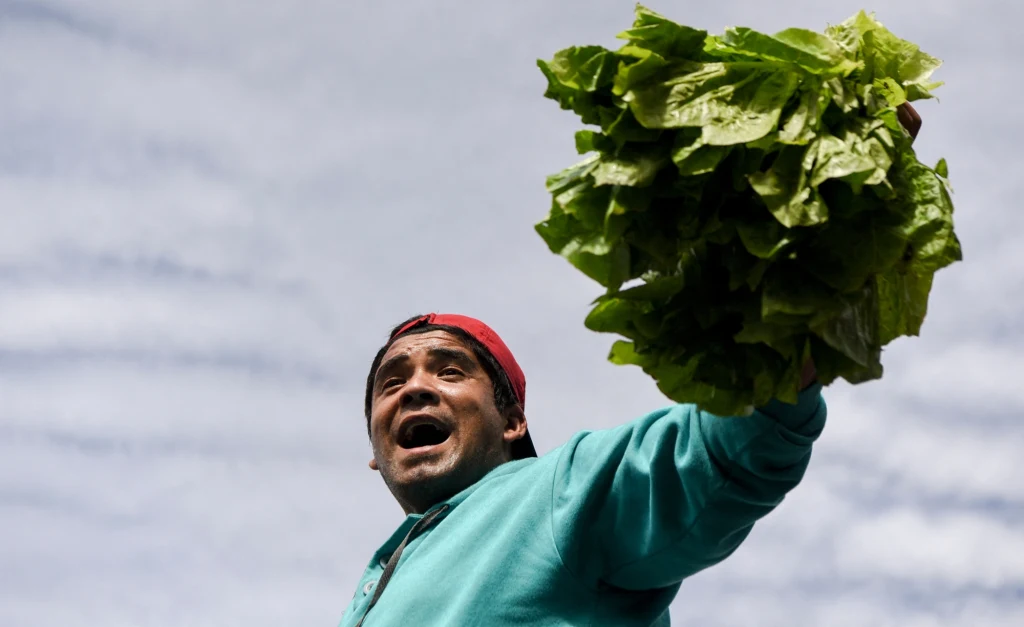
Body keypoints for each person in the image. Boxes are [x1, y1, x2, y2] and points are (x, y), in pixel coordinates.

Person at [340, 107, 923, 627]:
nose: (415, 388)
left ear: (513, 418)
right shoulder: (367, 591)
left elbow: (720, 450)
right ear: (372, 445)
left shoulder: (559, 497)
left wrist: (817, 237)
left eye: (448, 370)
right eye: (392, 383)